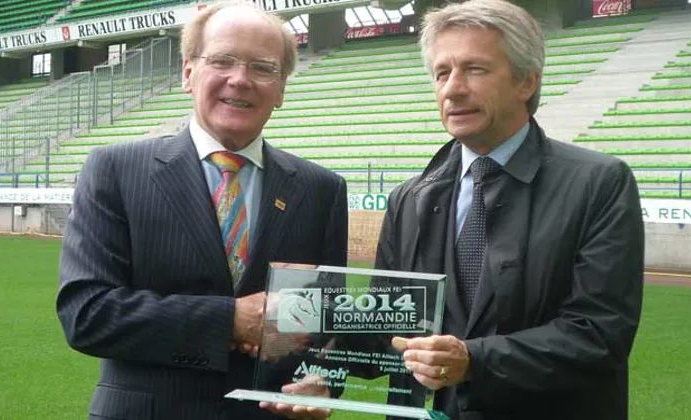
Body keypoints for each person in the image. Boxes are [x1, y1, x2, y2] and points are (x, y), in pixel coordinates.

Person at [56, 4, 346, 419]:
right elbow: (87, 313)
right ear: (187, 73)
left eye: (263, 68)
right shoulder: (114, 169)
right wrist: (231, 320)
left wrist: (323, 383)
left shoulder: (322, 189)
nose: (240, 79)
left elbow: (327, 322)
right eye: (222, 61)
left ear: (281, 88)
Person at [375, 1, 645, 419]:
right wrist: (318, 370)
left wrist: (473, 360)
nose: (453, 88)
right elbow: (384, 323)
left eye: (475, 69)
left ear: (526, 82)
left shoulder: (600, 182)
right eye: (442, 72)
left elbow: (598, 335)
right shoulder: (408, 197)